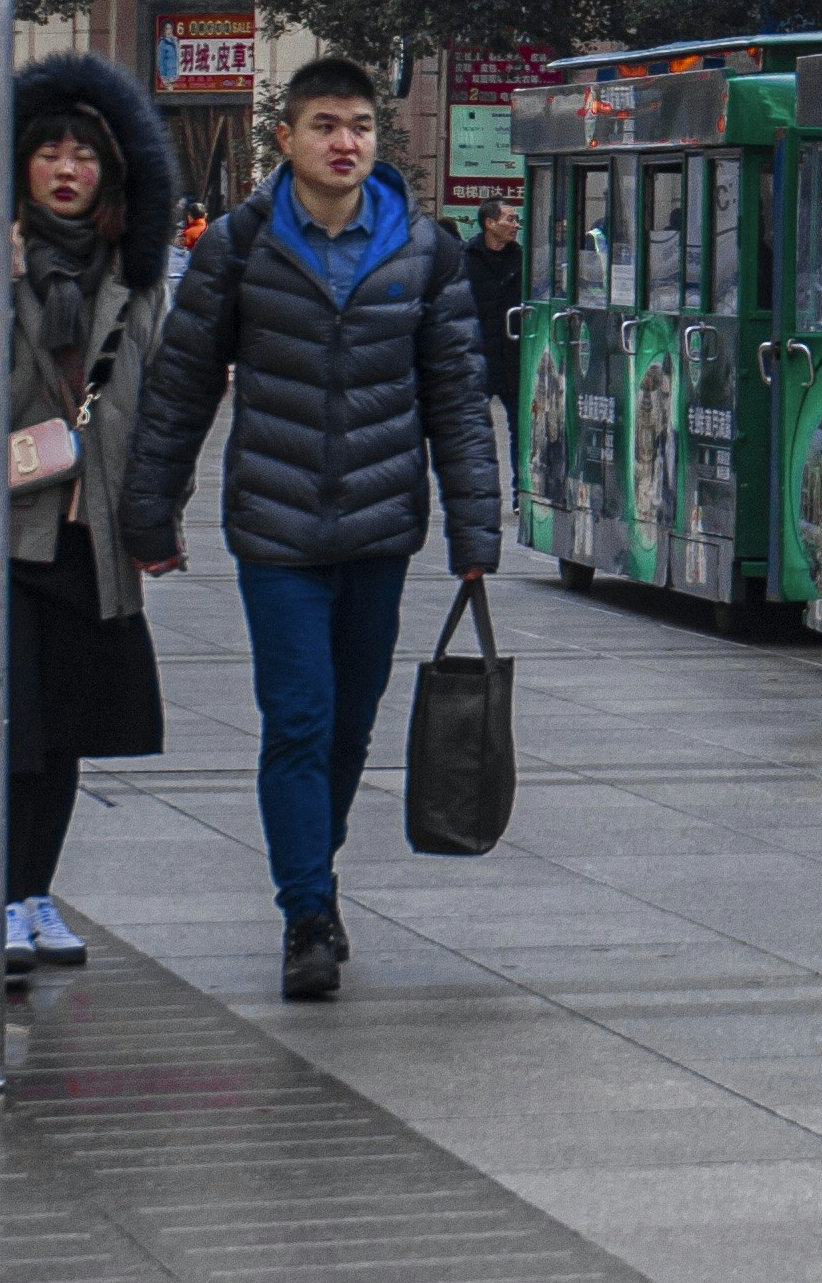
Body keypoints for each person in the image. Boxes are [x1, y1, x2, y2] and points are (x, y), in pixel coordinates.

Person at [121, 57, 498, 1004]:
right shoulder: (239, 248)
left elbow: (456, 395)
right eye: (325, 124)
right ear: (283, 138)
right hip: (277, 528)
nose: (346, 143)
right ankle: (307, 913)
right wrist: (150, 509)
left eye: (362, 127)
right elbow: (179, 389)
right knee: (299, 718)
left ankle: (311, 870)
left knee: (350, 728)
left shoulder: (423, 248)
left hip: (378, 528)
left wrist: (475, 529)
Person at [0, 54, 180, 980]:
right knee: (10, 731)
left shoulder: (135, 278)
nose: (66, 169)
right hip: (2, 534)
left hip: (89, 533)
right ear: (21, 164)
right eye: (49, 153)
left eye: (84, 156)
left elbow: (158, 405)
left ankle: (35, 891)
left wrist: (156, 515)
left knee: (64, 731)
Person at [465, 200, 527, 436]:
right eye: (510, 219)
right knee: (472, 430)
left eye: (516, 219)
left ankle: (519, 475)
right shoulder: (465, 259)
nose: (516, 225)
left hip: (513, 357)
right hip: (478, 358)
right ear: (490, 223)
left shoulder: (522, 259)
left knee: (520, 427)